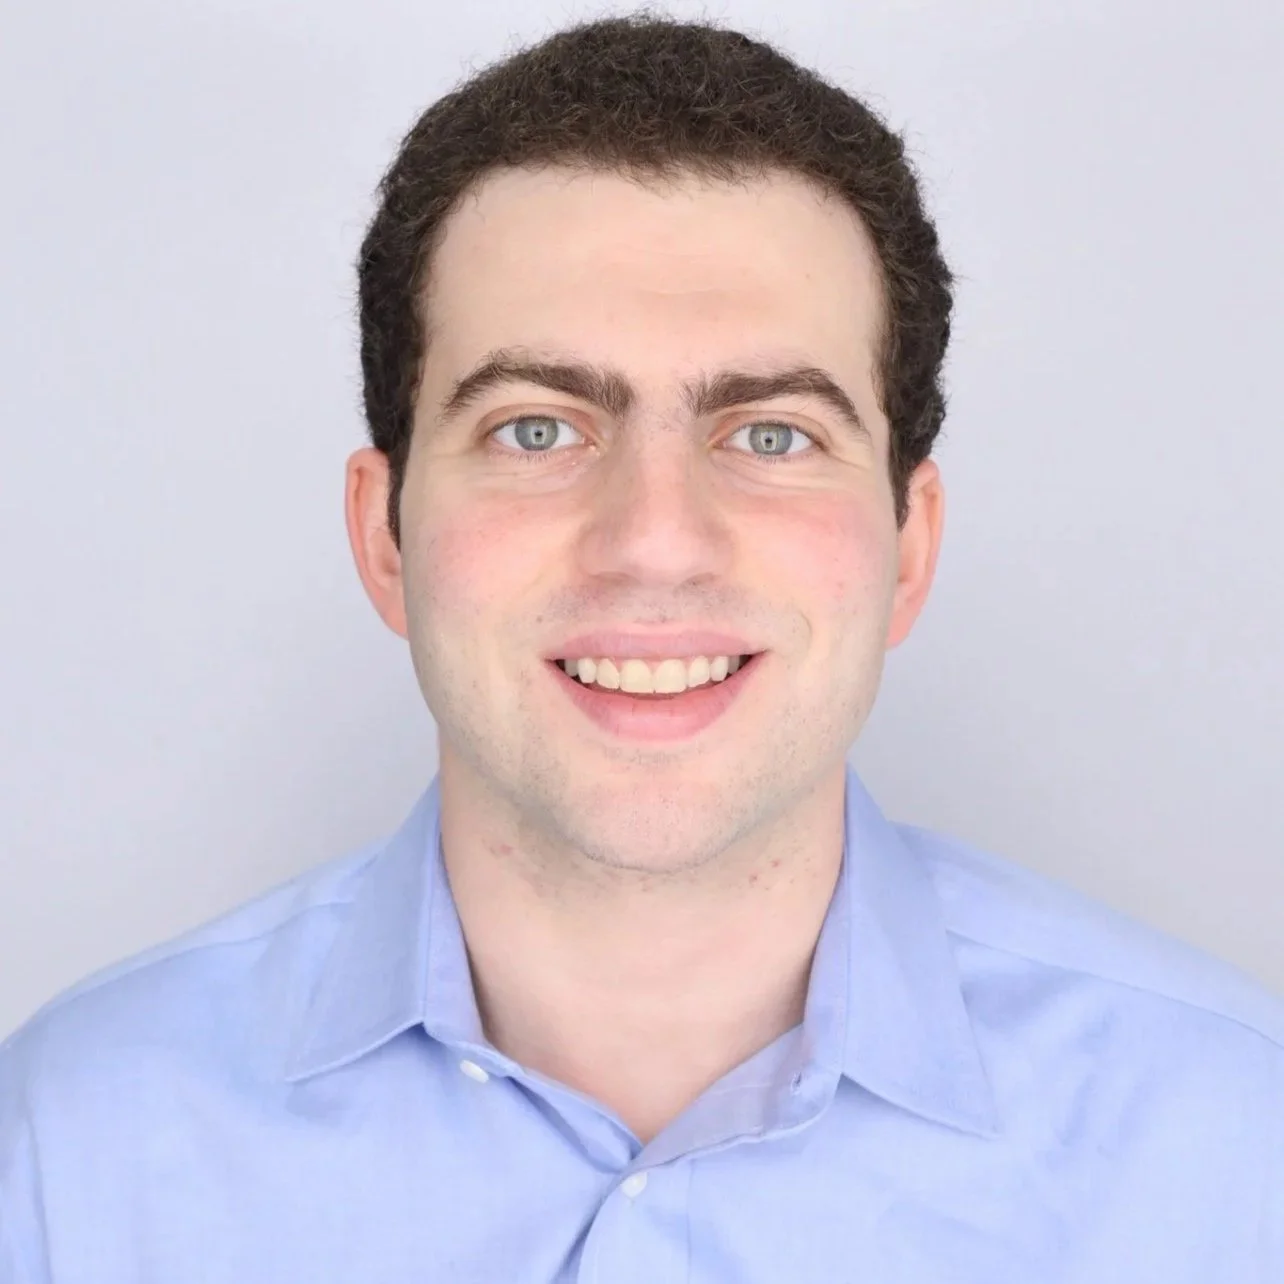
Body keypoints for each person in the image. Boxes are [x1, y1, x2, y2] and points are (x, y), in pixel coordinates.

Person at [1, 13, 1280, 1282]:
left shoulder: (1237, 1149)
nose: (655, 543)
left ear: (912, 547)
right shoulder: (67, 1153)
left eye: (772, 435)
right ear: (383, 538)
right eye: (538, 431)